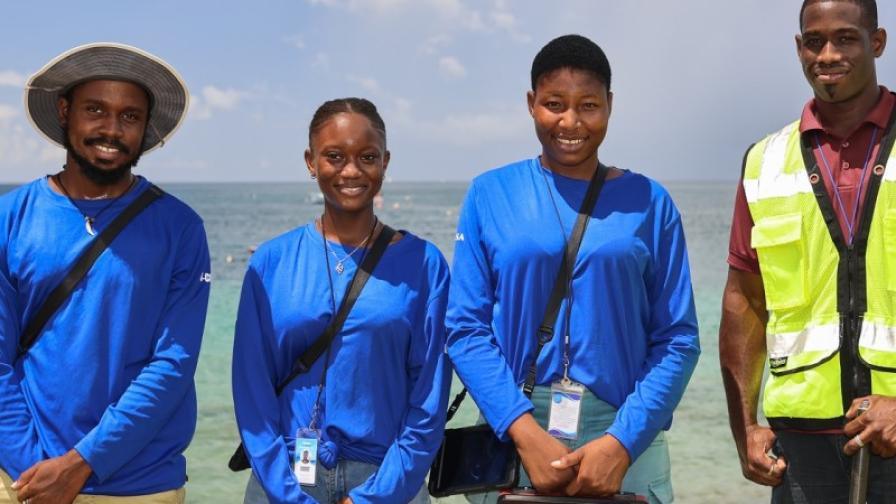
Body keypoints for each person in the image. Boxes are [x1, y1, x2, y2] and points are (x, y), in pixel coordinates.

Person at [446, 34, 700, 503]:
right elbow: (465, 328)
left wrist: (622, 444)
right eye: (554, 104)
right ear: (530, 104)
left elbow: (679, 338)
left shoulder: (651, 202)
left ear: (610, 105)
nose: (570, 121)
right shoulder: (490, 193)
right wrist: (522, 430)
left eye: (588, 105)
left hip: (623, 432)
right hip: (515, 431)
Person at [0, 43, 209, 504]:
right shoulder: (9, 218)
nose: (112, 129)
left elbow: (173, 364)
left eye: (130, 116)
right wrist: (33, 468)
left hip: (141, 486)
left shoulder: (180, 229)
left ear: (145, 127)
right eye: (95, 110)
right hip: (22, 481)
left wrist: (80, 464)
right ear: (64, 111)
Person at [232, 97, 450, 504]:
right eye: (334, 156)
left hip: (387, 478)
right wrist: (286, 492)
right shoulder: (271, 262)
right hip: (284, 476)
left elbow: (429, 398)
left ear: (385, 162)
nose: (351, 170)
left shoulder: (424, 264)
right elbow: (251, 393)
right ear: (310, 162)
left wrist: (379, 495)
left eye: (367, 156)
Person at [719, 0, 896, 501]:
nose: (828, 53)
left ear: (877, 42)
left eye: (846, 38)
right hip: (801, 450)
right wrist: (745, 429)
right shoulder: (764, 161)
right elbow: (744, 302)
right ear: (799, 48)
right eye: (815, 41)